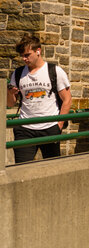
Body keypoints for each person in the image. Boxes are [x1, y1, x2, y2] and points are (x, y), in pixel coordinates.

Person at [5, 34, 72, 163]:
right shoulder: (18, 73)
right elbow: (10, 103)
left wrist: (59, 125)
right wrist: (10, 93)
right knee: (21, 169)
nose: (24, 59)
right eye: (22, 56)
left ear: (38, 51)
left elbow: (67, 100)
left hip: (50, 127)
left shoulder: (55, 71)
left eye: (27, 55)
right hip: (25, 128)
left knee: (52, 168)